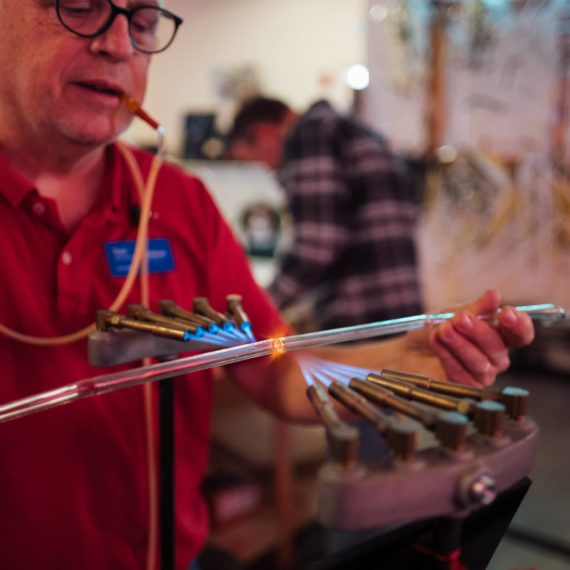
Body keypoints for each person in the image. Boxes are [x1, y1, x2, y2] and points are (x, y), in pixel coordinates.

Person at [0, 2, 534, 570]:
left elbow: (273, 364)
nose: (120, 45)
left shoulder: (179, 203)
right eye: (79, 6)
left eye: (143, 22)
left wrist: (402, 358)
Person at [228, 96, 422, 330]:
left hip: (359, 319)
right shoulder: (356, 131)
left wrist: (253, 313)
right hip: (402, 311)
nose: (268, 169)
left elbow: (316, 247)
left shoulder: (309, 134)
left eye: (256, 160)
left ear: (261, 133)